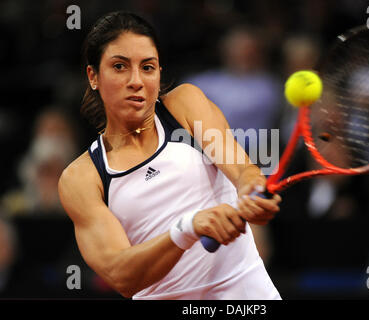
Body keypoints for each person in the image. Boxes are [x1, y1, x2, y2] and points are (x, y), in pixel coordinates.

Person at [58, 11, 282, 300]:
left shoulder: (185, 105)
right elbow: (121, 275)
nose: (136, 81)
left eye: (148, 67)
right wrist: (187, 229)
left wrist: (251, 187)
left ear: (159, 73)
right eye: (120, 66)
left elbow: (242, 169)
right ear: (94, 76)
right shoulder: (81, 177)